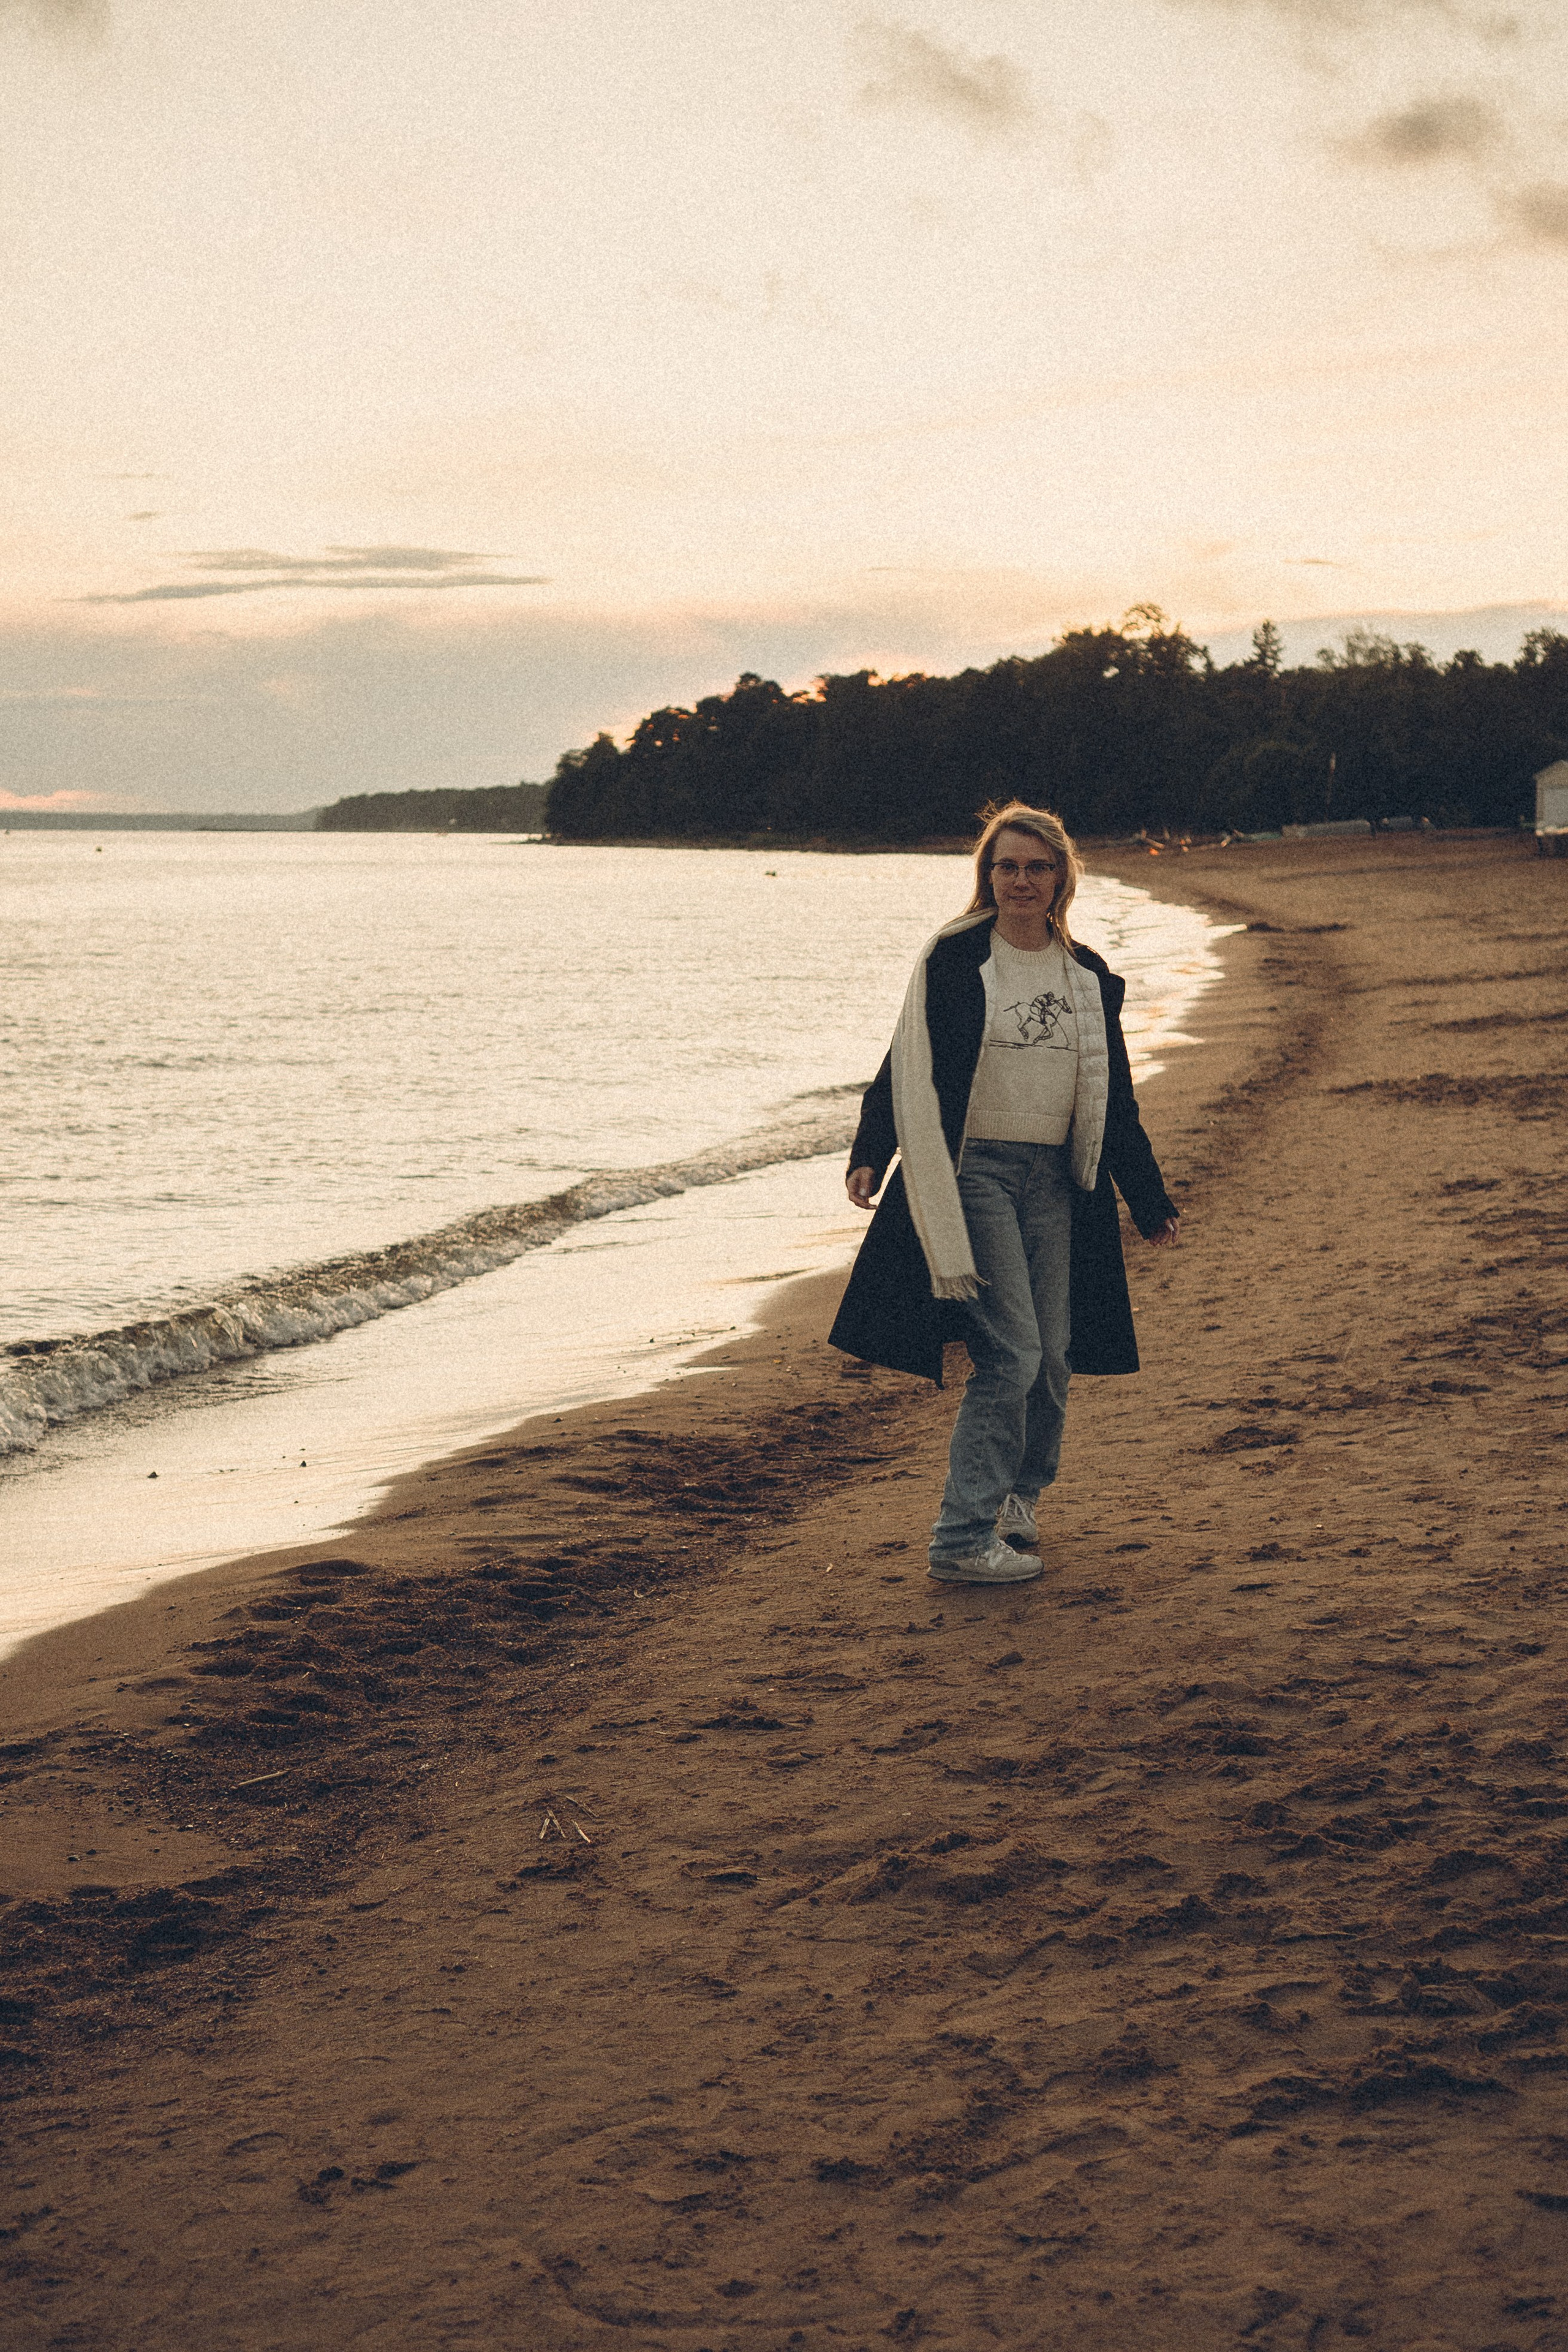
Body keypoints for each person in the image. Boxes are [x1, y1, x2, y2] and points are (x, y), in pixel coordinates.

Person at [829, 803, 1180, 1586]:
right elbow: (905, 1059)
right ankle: (960, 1539)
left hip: (1058, 1179)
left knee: (1051, 1356)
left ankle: (1020, 1499)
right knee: (1011, 1353)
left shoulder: (1085, 975)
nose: (1021, 880)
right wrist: (871, 1150)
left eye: (1037, 867)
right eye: (1006, 866)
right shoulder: (954, 959)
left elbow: (1112, 1095)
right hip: (973, 1174)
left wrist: (1146, 1198)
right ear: (987, 875)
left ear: (1062, 878)